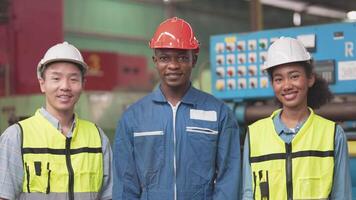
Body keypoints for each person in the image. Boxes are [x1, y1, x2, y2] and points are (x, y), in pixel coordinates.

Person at [112, 17, 241, 199]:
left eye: (182, 57)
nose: (173, 65)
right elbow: (125, 183)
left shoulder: (219, 113)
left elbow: (229, 177)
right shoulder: (133, 118)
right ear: (155, 60)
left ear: (194, 60)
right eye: (165, 58)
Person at [242, 37, 352, 200]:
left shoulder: (332, 135)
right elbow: (248, 193)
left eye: (294, 76)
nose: (286, 85)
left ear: (310, 79)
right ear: (273, 84)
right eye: (279, 79)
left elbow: (341, 195)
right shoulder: (254, 134)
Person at [0, 42, 113, 200]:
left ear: (83, 84)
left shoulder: (97, 138)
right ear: (42, 84)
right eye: (56, 78)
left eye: (73, 79)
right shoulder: (17, 138)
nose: (65, 86)